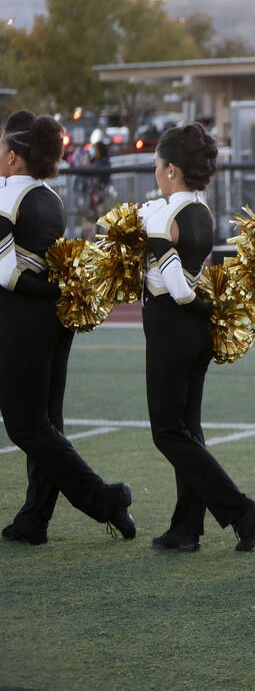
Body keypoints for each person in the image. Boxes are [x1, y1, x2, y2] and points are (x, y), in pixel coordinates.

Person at [0, 111, 136, 545]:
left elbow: (7, 275)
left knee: (26, 427)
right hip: (56, 323)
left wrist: (52, 294)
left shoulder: (8, 199)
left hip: (22, 321)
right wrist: (60, 297)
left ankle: (103, 499)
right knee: (47, 423)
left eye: (3, 147)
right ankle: (34, 520)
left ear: (16, 157)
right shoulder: (52, 198)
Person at [141, 123, 255, 553]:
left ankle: (240, 509)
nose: (155, 171)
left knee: (168, 432)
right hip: (194, 332)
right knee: (188, 429)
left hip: (171, 325)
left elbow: (177, 289)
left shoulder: (165, 215)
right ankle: (186, 527)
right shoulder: (202, 209)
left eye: (158, 164)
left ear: (172, 169)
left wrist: (153, 237)